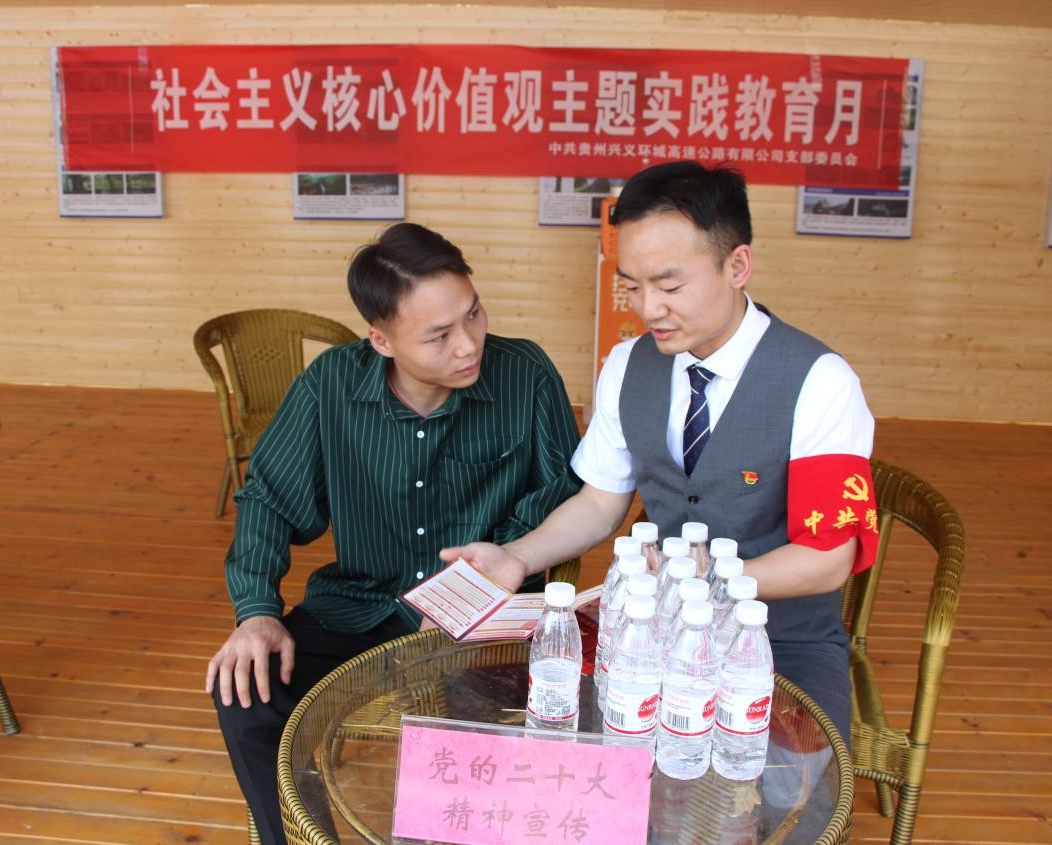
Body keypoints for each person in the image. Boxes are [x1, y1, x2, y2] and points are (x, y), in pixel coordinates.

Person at [443, 161, 877, 742]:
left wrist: (708, 578)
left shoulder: (820, 381)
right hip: (650, 636)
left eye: (669, 287)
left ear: (737, 266)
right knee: (520, 725)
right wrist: (517, 557)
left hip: (781, 641)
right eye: (632, 285)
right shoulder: (629, 366)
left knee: (794, 778)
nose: (648, 309)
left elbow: (829, 558)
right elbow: (600, 502)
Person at [206, 222, 581, 845]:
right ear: (381, 339)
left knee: (472, 750)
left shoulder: (525, 375)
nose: (468, 344)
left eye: (473, 313)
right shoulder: (331, 385)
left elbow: (562, 497)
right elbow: (269, 499)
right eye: (439, 335)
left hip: (484, 620)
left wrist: (468, 591)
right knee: (246, 691)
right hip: (363, 604)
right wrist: (257, 613)